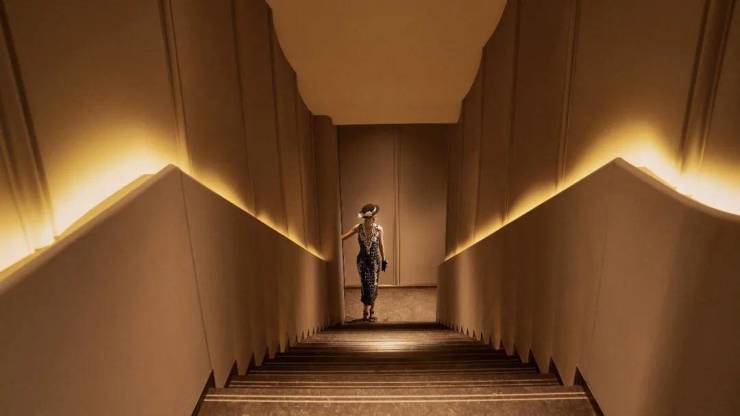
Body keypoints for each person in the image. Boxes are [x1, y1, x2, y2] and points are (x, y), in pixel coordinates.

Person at [341, 203, 387, 321]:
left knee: (374, 284)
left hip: (375, 261)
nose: (369, 219)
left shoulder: (379, 229)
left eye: (370, 217)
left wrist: (384, 259)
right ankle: (365, 310)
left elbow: (381, 245)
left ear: (373, 217)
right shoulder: (358, 228)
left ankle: (371, 311)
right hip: (362, 261)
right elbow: (343, 237)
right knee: (365, 284)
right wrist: (333, 238)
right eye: (366, 218)